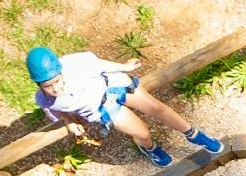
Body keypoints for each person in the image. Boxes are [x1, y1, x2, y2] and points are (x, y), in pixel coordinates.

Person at [26, 45, 222, 169]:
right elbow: (58, 112)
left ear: (61, 71)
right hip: (101, 108)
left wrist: (124, 67)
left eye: (57, 81)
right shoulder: (45, 100)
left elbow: (101, 65)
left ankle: (193, 134)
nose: (55, 88)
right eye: (48, 86)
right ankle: (149, 147)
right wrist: (69, 122)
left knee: (156, 108)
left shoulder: (77, 62)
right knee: (142, 132)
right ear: (39, 84)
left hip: (113, 86)